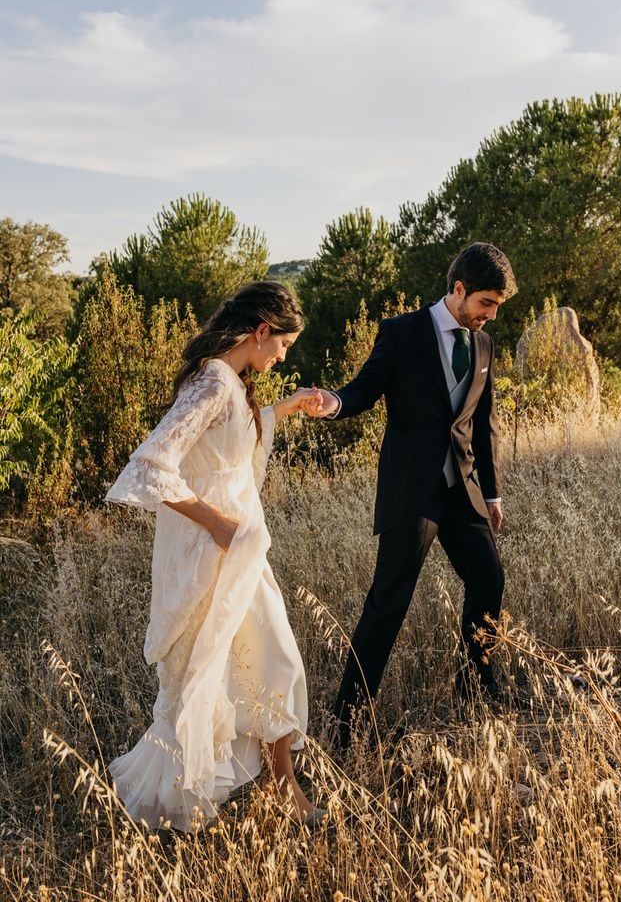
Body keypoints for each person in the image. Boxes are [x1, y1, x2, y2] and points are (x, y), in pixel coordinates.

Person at [105, 282, 324, 833]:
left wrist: (286, 408)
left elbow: (231, 448)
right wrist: (220, 525)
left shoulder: (232, 382)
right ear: (261, 331)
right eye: (282, 346)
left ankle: (283, 788)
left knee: (270, 657)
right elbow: (152, 466)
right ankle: (189, 791)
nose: (281, 357)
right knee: (215, 670)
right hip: (213, 555)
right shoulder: (211, 381)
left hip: (244, 552)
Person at [302, 243, 518, 744]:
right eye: (485, 302)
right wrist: (333, 403)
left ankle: (478, 686)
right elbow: (362, 390)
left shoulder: (483, 346)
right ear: (458, 289)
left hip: (461, 493)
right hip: (412, 492)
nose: (489, 315)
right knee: (388, 603)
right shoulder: (400, 333)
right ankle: (348, 723)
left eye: (496, 307)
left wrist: (492, 492)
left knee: (489, 579)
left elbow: (483, 425)